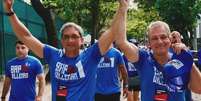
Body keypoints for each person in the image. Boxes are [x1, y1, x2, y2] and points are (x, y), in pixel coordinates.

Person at [3, 0, 129, 100]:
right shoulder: (53, 55)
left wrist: (122, 7)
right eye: (66, 37)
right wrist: (10, 12)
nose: (70, 40)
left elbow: (113, 31)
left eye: (74, 36)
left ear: (81, 40)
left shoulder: (91, 55)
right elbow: (26, 36)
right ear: (61, 41)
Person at [116, 20, 201, 101]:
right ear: (149, 43)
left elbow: (199, 88)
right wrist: (123, 8)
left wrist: (186, 59)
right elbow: (121, 41)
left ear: (170, 40)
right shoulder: (143, 58)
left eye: (163, 37)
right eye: (154, 38)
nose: (160, 41)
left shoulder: (180, 61)